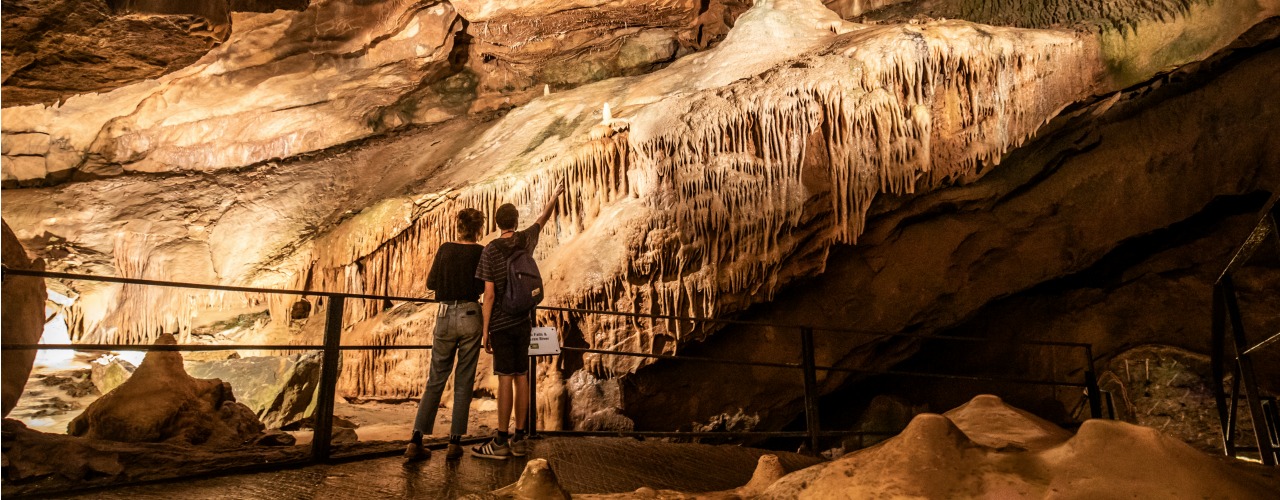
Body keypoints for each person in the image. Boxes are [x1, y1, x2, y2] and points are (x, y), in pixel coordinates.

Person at [471, 181, 565, 459]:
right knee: (522, 377)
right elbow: (542, 219)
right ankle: (520, 438)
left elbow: (488, 295)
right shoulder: (525, 239)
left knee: (504, 378)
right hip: (523, 321)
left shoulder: (490, 250)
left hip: (500, 323)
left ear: (498, 224)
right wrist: (555, 195)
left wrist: (485, 330)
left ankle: (500, 441)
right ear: (515, 221)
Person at [405, 208, 487, 461]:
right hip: (471, 314)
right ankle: (454, 442)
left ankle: (416, 440)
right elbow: (485, 286)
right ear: (478, 229)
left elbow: (431, 283)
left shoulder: (445, 249)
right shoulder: (481, 252)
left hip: (444, 315)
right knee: (464, 378)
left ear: (458, 227)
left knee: (436, 377)